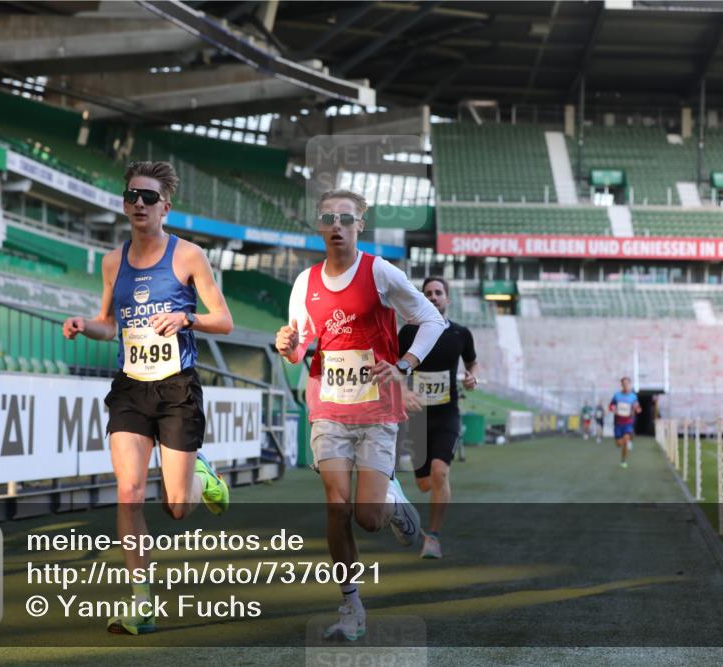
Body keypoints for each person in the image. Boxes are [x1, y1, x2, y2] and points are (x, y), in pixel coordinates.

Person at [62, 161, 234, 635]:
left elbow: (224, 320)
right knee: (129, 492)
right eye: (132, 195)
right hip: (131, 387)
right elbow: (109, 324)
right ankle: (141, 602)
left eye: (149, 197)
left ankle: (203, 471)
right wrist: (85, 324)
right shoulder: (112, 261)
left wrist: (188, 319)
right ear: (124, 204)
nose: (139, 203)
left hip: (177, 387)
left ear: (166, 208)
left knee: (177, 506)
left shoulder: (189, 256)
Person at [274, 189, 445, 641]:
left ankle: (390, 500)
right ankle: (350, 606)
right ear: (319, 225)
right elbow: (298, 347)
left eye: (345, 219)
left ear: (359, 226)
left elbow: (431, 320)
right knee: (337, 506)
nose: (336, 225)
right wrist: (289, 345)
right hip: (328, 407)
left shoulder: (380, 272)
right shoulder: (305, 283)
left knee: (367, 518)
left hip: (376, 410)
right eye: (328, 217)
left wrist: (404, 363)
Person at [397, 277, 478, 559]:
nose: (433, 297)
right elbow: (395, 369)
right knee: (424, 483)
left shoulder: (460, 334)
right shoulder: (407, 333)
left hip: (447, 414)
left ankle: (432, 537)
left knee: (440, 471)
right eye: (428, 293)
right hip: (417, 419)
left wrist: (472, 376)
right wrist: (404, 392)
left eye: (438, 293)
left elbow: (472, 362)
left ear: (447, 299)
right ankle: (434, 488)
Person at [609, 377, 640, 469]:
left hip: (628, 422)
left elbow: (637, 407)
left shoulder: (633, 396)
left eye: (627, 383)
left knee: (626, 441)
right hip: (618, 423)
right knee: (619, 444)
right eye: (624, 383)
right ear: (621, 384)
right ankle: (627, 441)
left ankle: (623, 460)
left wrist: (637, 409)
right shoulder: (617, 395)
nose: (625, 385)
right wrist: (613, 410)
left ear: (629, 384)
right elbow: (611, 406)